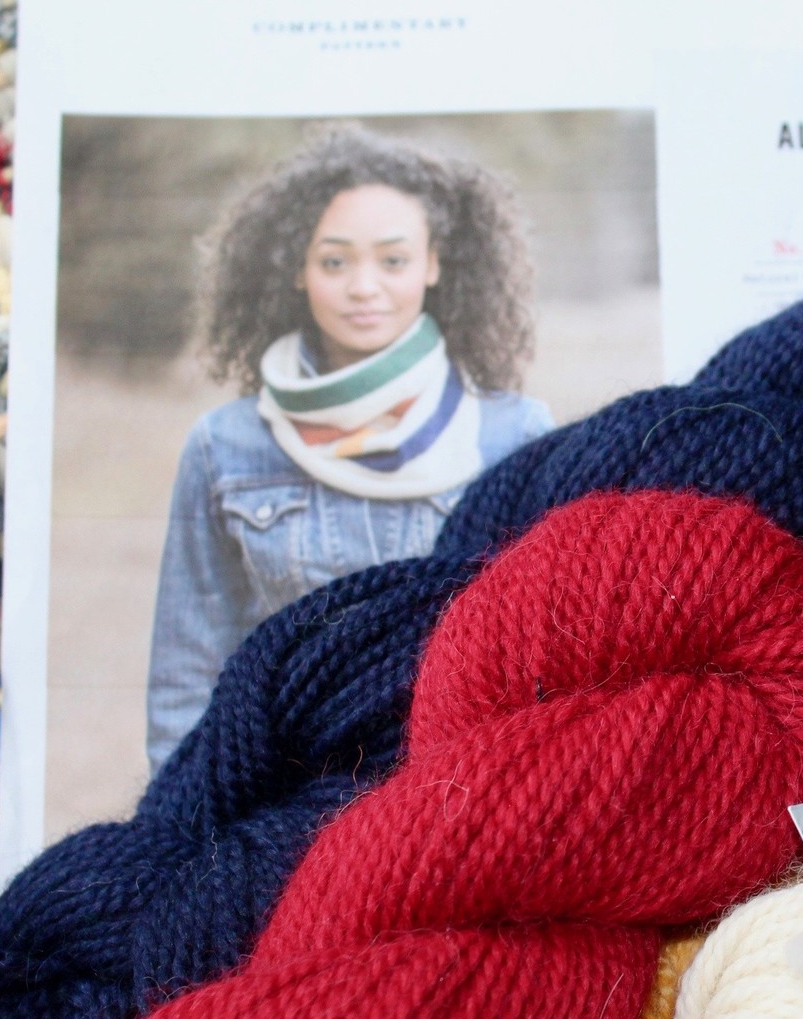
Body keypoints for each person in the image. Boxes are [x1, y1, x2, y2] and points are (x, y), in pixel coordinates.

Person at [145, 125, 551, 769]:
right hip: (285, 788)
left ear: (434, 264)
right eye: (335, 262)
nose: (364, 287)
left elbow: (543, 654)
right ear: (297, 270)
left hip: (454, 784)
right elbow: (187, 670)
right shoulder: (225, 446)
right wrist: (183, 811)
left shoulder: (515, 433)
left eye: (393, 261)